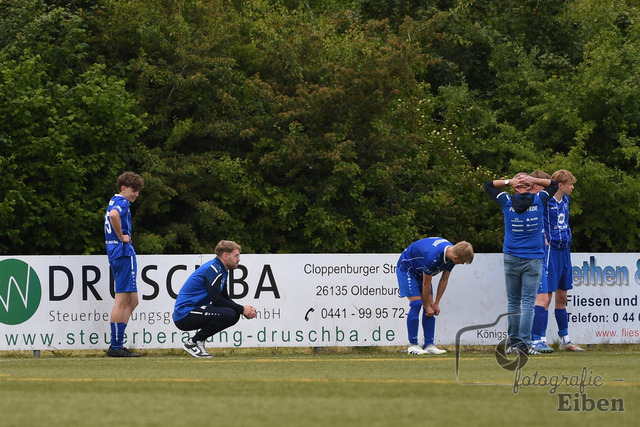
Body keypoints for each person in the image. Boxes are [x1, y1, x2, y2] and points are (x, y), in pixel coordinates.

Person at [484, 173, 558, 355]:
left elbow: (488, 185)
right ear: (529, 186)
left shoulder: (506, 201)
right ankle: (524, 344)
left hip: (511, 258)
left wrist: (509, 182)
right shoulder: (539, 200)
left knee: (513, 303)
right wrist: (534, 180)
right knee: (528, 303)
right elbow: (554, 185)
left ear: (516, 187)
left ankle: (514, 344)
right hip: (533, 259)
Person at [173, 240, 257, 358]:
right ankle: (193, 342)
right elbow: (217, 300)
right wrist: (242, 309)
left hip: (195, 310)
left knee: (234, 314)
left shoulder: (222, 270)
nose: (239, 259)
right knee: (229, 314)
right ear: (226, 256)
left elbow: (224, 297)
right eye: (236, 256)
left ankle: (198, 341)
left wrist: (242, 309)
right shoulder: (213, 269)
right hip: (184, 314)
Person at [531, 169, 585, 352]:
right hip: (550, 250)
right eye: (571, 184)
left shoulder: (566, 200)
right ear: (560, 185)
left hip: (564, 250)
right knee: (546, 297)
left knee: (562, 296)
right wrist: (543, 237)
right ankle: (541, 339)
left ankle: (565, 339)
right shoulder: (545, 200)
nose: (573, 187)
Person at [396, 238, 474, 355]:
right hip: (407, 269)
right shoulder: (432, 256)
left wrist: (436, 303)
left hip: (421, 272)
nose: (462, 264)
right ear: (456, 258)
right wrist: (427, 306)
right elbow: (426, 284)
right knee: (417, 304)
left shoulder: (452, 255)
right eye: (462, 262)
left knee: (431, 306)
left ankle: (429, 345)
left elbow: (444, 279)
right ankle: (413, 345)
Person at [104, 171, 144, 357]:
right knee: (121, 301)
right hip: (123, 252)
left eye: (138, 191)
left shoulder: (113, 200)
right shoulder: (122, 202)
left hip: (115, 252)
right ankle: (116, 346)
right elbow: (114, 215)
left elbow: (112, 213)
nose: (136, 194)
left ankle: (117, 344)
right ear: (123, 188)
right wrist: (122, 237)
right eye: (133, 190)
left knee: (133, 301)